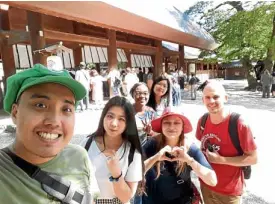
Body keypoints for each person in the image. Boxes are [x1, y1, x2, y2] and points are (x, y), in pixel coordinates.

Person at [0, 63, 98, 204]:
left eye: (66, 109)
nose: (54, 121)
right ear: (15, 113)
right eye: (40, 105)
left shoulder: (78, 156)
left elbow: (92, 200)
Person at [195, 81, 257, 204]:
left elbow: (253, 159)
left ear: (225, 98)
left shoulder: (239, 124)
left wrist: (220, 160)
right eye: (207, 97)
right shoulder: (202, 121)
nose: (211, 101)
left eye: (216, 97)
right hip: (206, 185)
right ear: (203, 100)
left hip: (230, 192)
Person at [142, 108, 217, 204]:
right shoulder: (151, 144)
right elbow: (134, 173)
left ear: (183, 127)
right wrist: (155, 157)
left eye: (177, 123)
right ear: (161, 126)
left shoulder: (190, 148)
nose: (171, 127)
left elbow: (212, 180)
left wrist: (189, 160)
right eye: (167, 122)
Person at [81, 96, 144, 204]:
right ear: (103, 117)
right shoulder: (87, 143)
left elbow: (126, 198)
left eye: (121, 119)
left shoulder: (132, 153)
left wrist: (116, 174)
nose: (114, 123)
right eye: (110, 116)